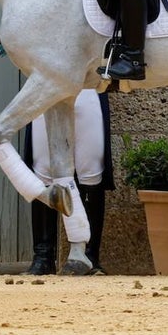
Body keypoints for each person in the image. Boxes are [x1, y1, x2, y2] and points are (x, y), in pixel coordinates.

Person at [23, 90, 113, 275]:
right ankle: (43, 257)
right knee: (43, 171)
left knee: (91, 171)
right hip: (46, 88)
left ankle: (89, 256)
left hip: (88, 87)